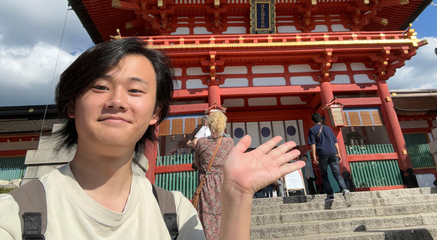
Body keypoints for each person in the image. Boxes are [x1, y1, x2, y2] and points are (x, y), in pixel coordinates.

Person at [0, 38, 305, 240]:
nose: (117, 100)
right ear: (71, 105)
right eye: (100, 87)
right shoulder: (15, 214)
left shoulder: (174, 211)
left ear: (155, 113)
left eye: (135, 90)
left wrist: (237, 195)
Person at [194, 111, 234, 240]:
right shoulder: (229, 142)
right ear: (223, 126)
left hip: (206, 182)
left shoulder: (201, 143)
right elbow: (232, 163)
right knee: (224, 213)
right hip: (223, 181)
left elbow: (197, 163)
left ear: (209, 126)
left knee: (207, 215)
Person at [308, 113, 351, 207]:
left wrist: (314, 155)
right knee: (337, 174)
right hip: (333, 153)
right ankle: (344, 189)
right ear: (321, 120)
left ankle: (330, 195)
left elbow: (313, 144)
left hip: (323, 154)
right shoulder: (328, 129)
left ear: (312, 121)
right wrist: (338, 153)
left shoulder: (312, 130)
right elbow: (336, 141)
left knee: (324, 175)